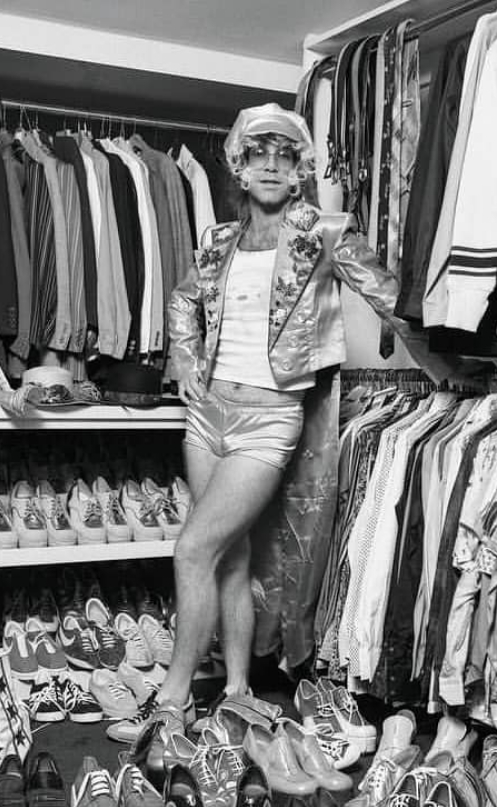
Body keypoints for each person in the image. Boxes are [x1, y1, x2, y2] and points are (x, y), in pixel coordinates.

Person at [114, 102, 427, 741]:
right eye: (259, 153)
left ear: (301, 169)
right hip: (207, 415)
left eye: (286, 156)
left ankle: (172, 699)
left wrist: (446, 359)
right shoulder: (217, 241)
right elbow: (182, 300)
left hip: (269, 417)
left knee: (192, 548)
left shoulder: (325, 232)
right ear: (239, 165)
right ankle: (236, 692)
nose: (272, 166)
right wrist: (185, 359)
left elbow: (390, 296)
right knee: (229, 557)